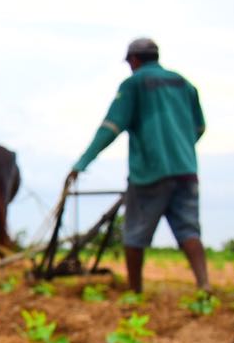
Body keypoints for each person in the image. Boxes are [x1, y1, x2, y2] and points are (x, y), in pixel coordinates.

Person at [66, 38, 209, 294]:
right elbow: (199, 128)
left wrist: (82, 162)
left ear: (134, 60)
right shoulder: (185, 85)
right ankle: (203, 284)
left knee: (134, 234)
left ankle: (135, 292)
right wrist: (180, 148)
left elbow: (111, 126)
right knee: (189, 230)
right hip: (187, 170)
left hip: (149, 173)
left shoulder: (134, 84)